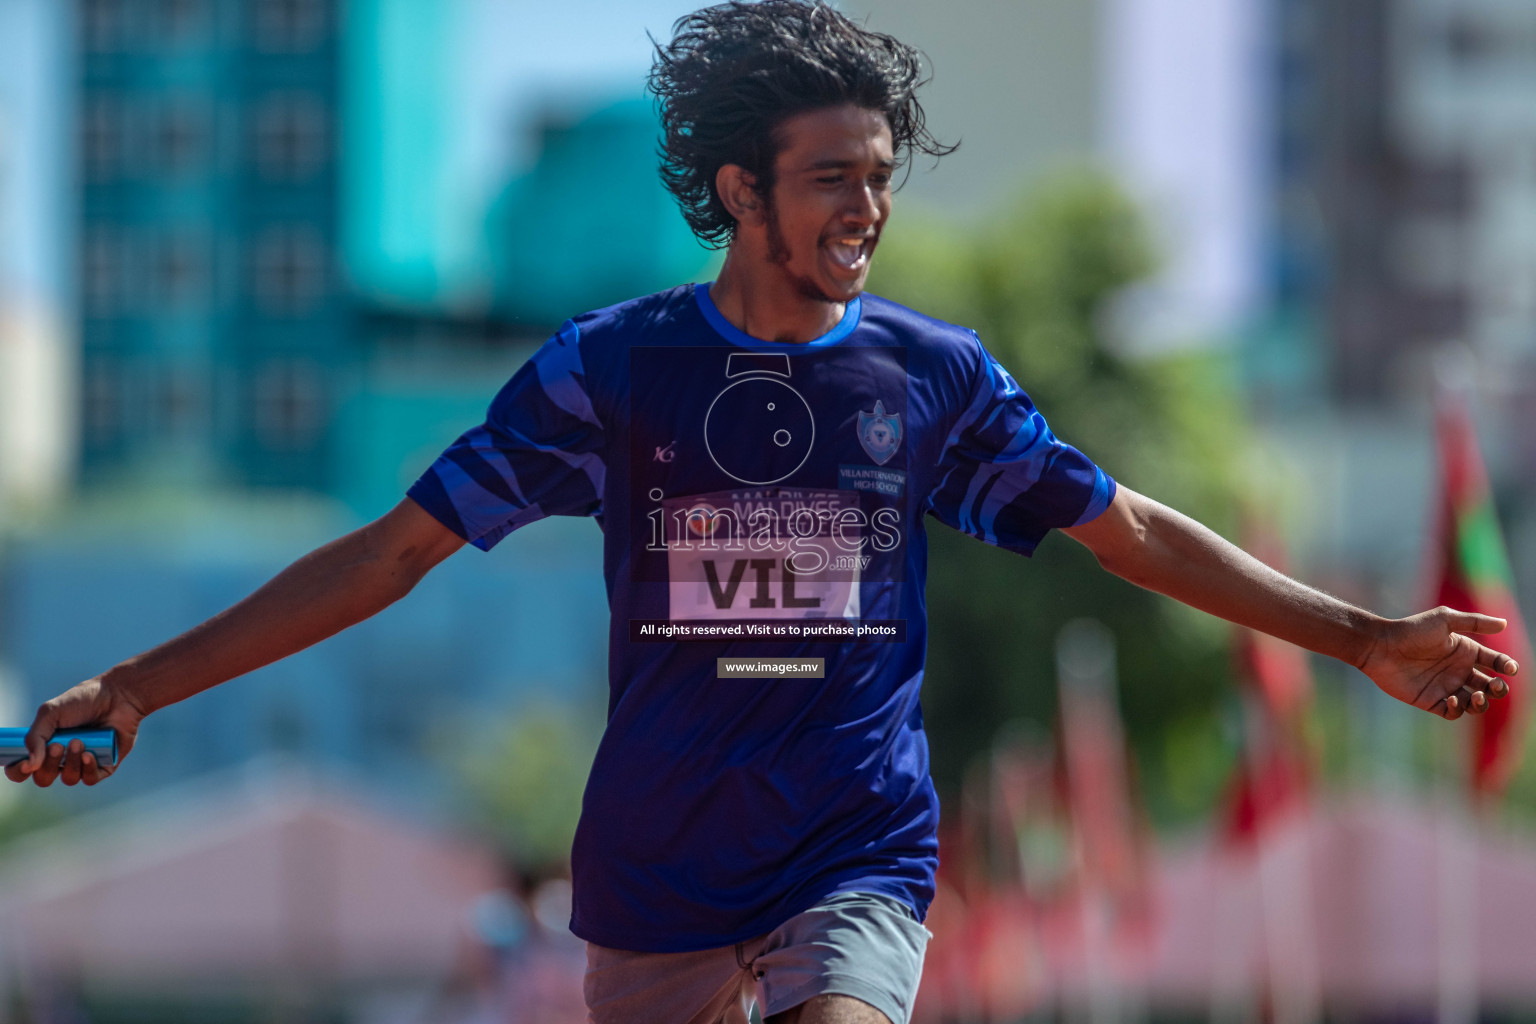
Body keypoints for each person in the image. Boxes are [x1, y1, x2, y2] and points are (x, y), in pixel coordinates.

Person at [7, 3, 1518, 1023]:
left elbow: (1122, 526)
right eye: (830, 182)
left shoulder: (933, 378)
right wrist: (141, 684)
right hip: (656, 864)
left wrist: (1362, 631)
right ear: (741, 189)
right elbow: (390, 556)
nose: (866, 210)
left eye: (881, 180)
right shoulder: (611, 370)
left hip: (855, 851)